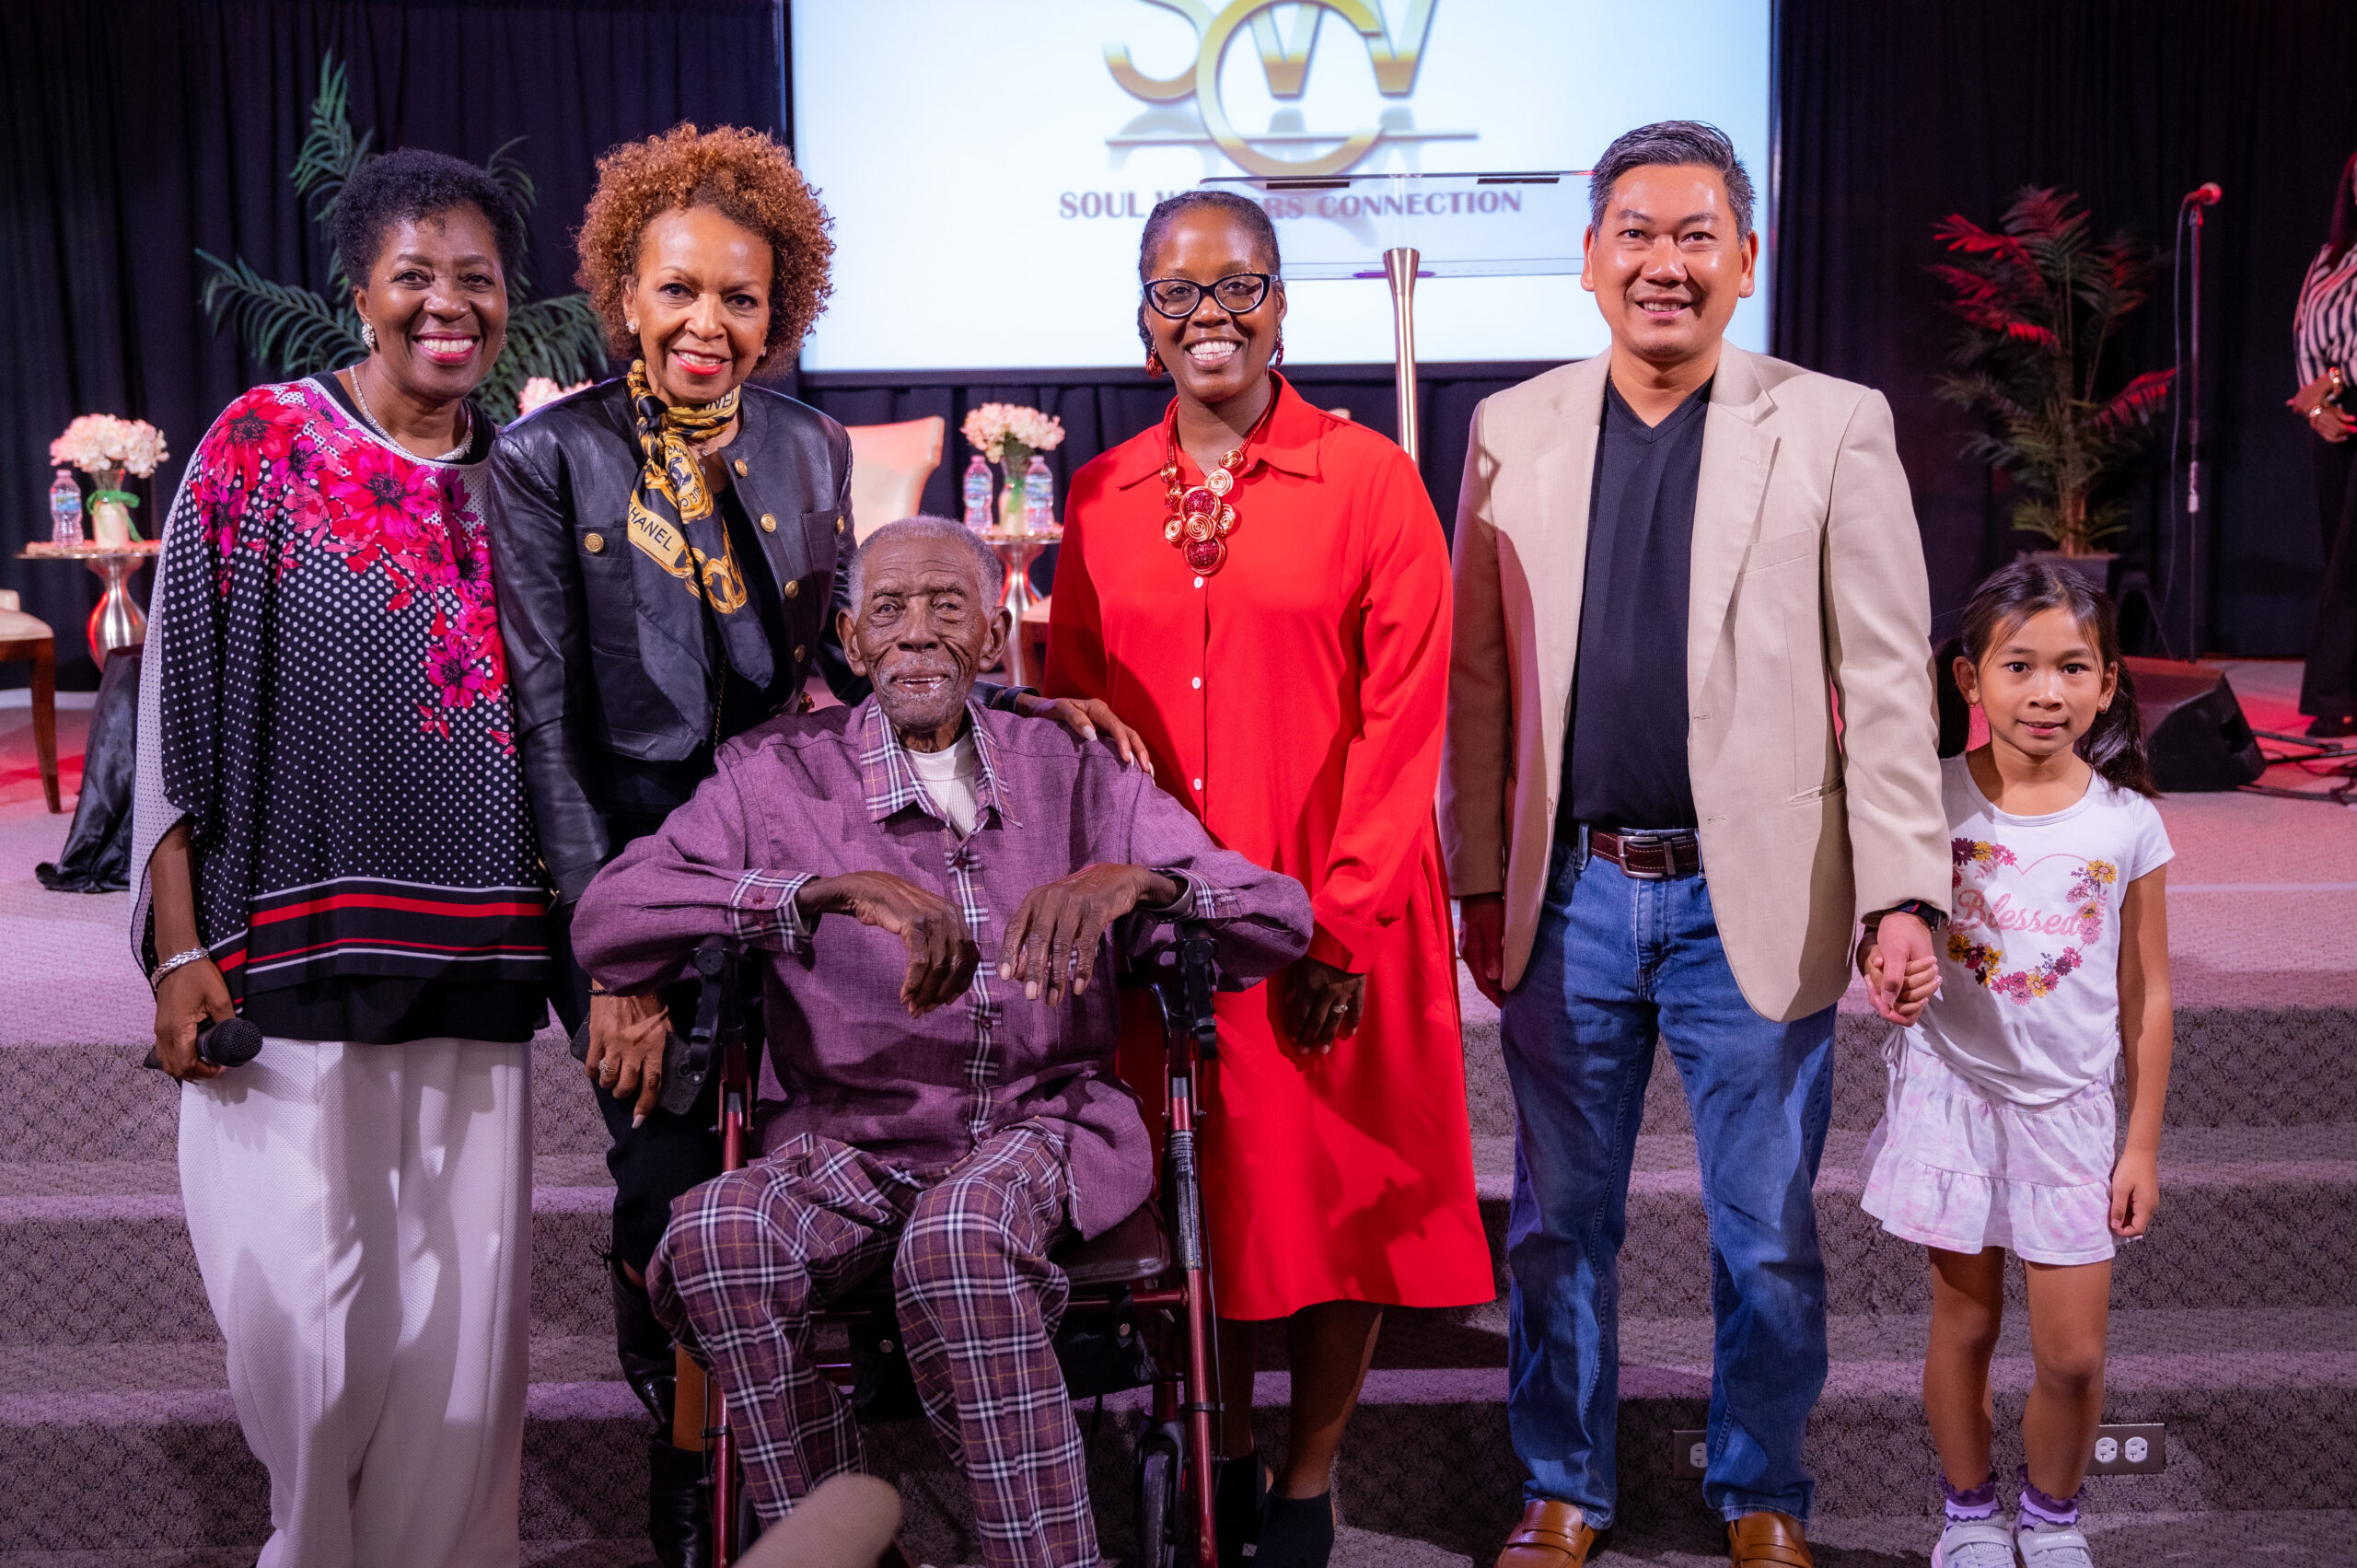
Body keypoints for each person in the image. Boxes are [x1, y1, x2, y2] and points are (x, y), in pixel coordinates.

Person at [485, 123, 1142, 1562]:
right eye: (677, 291)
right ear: (624, 291)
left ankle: (854, 1493)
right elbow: (546, 719)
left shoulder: (805, 442)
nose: (706, 324)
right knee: (664, 1183)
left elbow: (853, 663)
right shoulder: (546, 458)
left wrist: (1020, 697)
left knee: (783, 1152)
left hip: (786, 849)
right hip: (640, 872)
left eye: (738, 297)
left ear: (777, 309)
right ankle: (693, 1492)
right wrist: (623, 957)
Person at [572, 518, 1314, 1568]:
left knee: (959, 1236)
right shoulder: (772, 778)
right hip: (844, 1142)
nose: (916, 633)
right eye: (889, 610)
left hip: (1038, 1126)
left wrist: (1138, 882)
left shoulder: (1078, 771)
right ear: (852, 641)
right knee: (710, 1238)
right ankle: (838, 1547)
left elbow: (1274, 915)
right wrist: (812, 893)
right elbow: (610, 916)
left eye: (946, 606)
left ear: (995, 631)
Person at [1443, 122, 1952, 1568]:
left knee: (1767, 1230)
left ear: (1746, 257)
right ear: (1591, 256)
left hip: (1762, 890)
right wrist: (1479, 872)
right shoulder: (1509, 428)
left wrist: (1907, 888)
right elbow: (1481, 678)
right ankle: (1562, 1484)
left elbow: (1892, 672)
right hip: (1569, 890)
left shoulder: (1833, 420)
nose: (1665, 262)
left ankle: (1765, 1485)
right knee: (1556, 1226)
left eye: (1695, 235)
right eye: (1637, 234)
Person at [1047, 189, 1493, 1568]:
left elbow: (1403, 717)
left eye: (1242, 286)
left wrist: (1337, 926)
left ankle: (1308, 1472)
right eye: (1178, 292)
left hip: (1326, 910)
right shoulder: (1101, 491)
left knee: (1341, 1203)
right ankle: (1222, 1448)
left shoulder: (1367, 481)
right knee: (1212, 1200)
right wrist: (1065, 715)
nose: (1211, 316)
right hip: (1171, 925)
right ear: (1142, 319)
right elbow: (1067, 686)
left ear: (1285, 304)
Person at [130, 147, 545, 1568]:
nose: (448, 305)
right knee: (300, 1323)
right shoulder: (259, 444)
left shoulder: (532, 484)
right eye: (415, 275)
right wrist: (179, 948)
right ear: (358, 292)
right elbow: (172, 711)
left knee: (458, 1339)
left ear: (510, 300)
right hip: (281, 959)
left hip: (482, 957)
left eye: (476, 279)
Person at [1859, 563, 2173, 1568]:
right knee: (1964, 1322)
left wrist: (2141, 1143)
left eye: (2072, 667)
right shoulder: (1932, 802)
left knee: (2073, 1356)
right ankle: (1967, 1515)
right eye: (2020, 666)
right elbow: (1886, 927)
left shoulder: (2125, 820)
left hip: (2072, 1111)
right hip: (1954, 1097)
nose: (2047, 691)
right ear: (1968, 680)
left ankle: (2050, 1514)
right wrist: (1888, 967)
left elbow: (2147, 992)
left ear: (2108, 682)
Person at [2291, 148, 2357, 738]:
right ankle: (2340, 693)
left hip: (2346, 392)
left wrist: (2334, 382)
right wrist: (2317, 405)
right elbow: (2306, 332)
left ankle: (2333, 695)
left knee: (2352, 559)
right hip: (2336, 414)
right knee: (2341, 553)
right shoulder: (2330, 259)